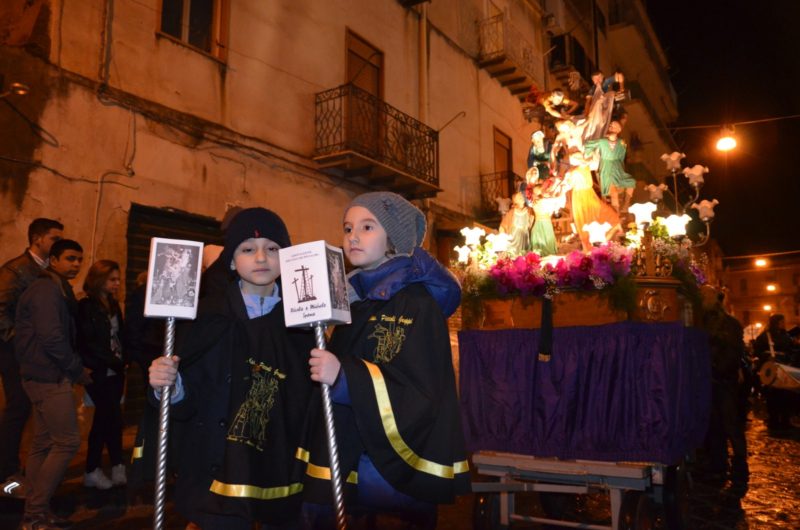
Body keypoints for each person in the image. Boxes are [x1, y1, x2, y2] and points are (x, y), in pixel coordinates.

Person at [301, 192, 470, 529]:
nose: (352, 236)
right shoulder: (353, 301)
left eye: (367, 227)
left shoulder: (418, 304)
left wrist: (346, 377)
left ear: (395, 238)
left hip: (388, 471)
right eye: (347, 228)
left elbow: (423, 392)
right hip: (346, 452)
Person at [148, 207, 314, 530]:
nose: (261, 258)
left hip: (280, 474)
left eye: (273, 248)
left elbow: (306, 405)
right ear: (232, 259)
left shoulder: (305, 323)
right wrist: (169, 386)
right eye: (248, 249)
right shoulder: (207, 316)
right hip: (217, 472)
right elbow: (188, 397)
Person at [15, 239, 90, 530]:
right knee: (68, 441)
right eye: (70, 258)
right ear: (54, 260)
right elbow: (52, 338)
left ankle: (37, 512)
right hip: (48, 376)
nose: (76, 264)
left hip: (42, 374)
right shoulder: (46, 290)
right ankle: (33, 515)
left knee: (43, 442)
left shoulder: (53, 288)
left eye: (79, 259)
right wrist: (76, 370)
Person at [0, 218, 64, 496]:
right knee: (18, 409)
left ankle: (30, 473)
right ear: (37, 239)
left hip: (36, 355)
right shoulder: (15, 270)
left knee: (33, 411)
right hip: (15, 353)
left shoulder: (49, 271)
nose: (57, 244)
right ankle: (6, 473)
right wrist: (20, 341)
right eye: (53, 238)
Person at [77, 260, 127, 490]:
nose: (117, 283)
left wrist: (123, 361)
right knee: (107, 418)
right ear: (99, 280)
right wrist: (115, 362)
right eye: (112, 279)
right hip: (99, 371)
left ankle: (113, 466)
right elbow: (89, 343)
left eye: (118, 279)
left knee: (110, 418)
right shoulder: (86, 307)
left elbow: (120, 337)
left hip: (115, 371)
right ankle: (94, 468)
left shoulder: (113, 305)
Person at [701, 287, 749, 494]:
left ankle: (740, 468)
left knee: (731, 426)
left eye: (706, 295)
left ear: (716, 299)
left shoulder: (730, 324)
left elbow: (733, 352)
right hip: (709, 382)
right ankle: (718, 465)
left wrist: (718, 369)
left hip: (725, 382)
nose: (702, 298)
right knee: (714, 426)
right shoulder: (701, 322)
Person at [583, 121, 636, 213]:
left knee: (631, 182)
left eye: (613, 126)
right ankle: (616, 213)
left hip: (617, 167)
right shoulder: (602, 141)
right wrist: (589, 155)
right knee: (613, 192)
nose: (611, 127)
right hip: (606, 167)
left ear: (618, 130)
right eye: (610, 126)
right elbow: (588, 145)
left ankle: (626, 204)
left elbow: (622, 155)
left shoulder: (621, 142)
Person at [753, 314, 795, 430]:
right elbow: (757, 351)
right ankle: (774, 419)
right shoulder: (765, 337)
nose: (783, 324)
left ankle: (785, 420)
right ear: (776, 322)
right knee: (772, 396)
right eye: (782, 322)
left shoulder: (786, 336)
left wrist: (790, 361)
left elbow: (791, 351)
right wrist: (765, 358)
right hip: (771, 369)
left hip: (784, 369)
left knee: (786, 395)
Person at [499, 192, 534, 257]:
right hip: (515, 235)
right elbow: (503, 225)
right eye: (519, 197)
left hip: (524, 235)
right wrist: (502, 234)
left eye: (522, 196)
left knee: (524, 251)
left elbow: (531, 221)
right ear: (515, 201)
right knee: (514, 252)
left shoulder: (529, 210)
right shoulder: (512, 212)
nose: (522, 198)